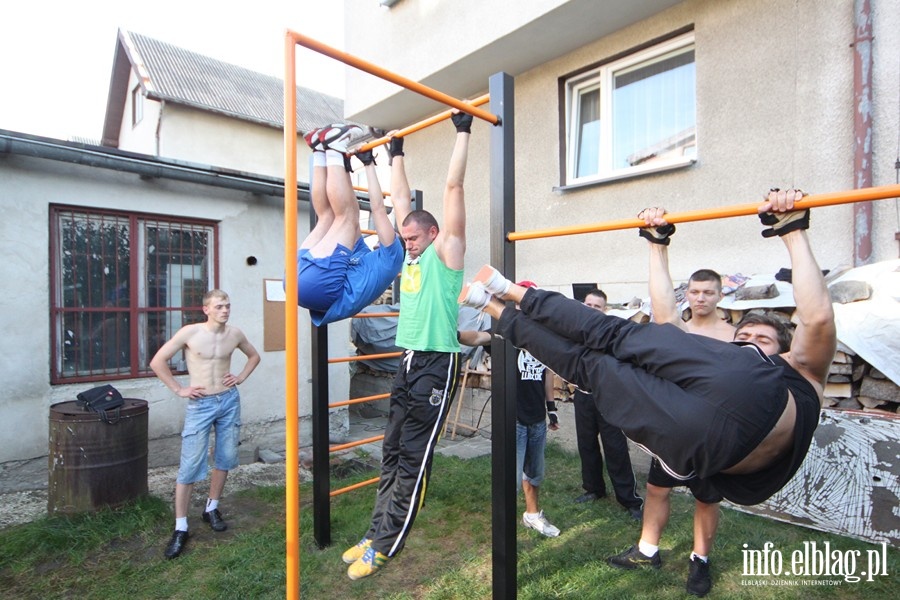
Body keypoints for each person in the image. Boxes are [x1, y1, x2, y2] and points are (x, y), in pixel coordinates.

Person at [458, 189, 834, 518]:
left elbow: (816, 319)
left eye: (760, 340)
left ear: (781, 351)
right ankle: (497, 304)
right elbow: (666, 314)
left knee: (608, 342)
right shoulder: (719, 347)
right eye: (745, 334)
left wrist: (793, 231)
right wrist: (657, 243)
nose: (748, 340)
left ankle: (507, 295)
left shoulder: (797, 372)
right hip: (702, 441)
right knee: (592, 362)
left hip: (724, 425)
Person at [343, 110, 474, 580]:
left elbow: (452, 191)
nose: (409, 246)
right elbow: (401, 199)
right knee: (392, 451)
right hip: (409, 360)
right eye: (406, 238)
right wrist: (393, 153)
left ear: (434, 234)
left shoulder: (445, 254)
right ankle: (375, 530)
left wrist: (462, 131)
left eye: (415, 238)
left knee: (414, 460)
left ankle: (386, 544)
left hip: (438, 364)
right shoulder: (412, 254)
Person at [607, 216, 736, 597]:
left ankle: (700, 561)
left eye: (708, 293)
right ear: (688, 294)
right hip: (673, 430)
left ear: (719, 296)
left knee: (706, 497)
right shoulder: (678, 331)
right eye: (695, 292)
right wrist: (657, 244)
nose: (700, 298)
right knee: (657, 489)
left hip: (711, 435)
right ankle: (648, 550)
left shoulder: (731, 337)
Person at [150, 289, 261, 559]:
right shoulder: (190, 333)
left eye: (228, 305)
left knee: (225, 457)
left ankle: (211, 508)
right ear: (206, 309)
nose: (225, 310)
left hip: (228, 401)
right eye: (220, 306)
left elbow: (254, 356)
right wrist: (179, 389)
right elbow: (158, 361)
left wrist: (241, 377)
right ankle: (180, 527)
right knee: (189, 465)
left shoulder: (234, 334)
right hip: (200, 404)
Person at [461, 281, 563, 538]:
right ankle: (503, 529)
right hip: (512, 418)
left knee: (535, 473)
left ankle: (532, 515)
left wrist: (551, 409)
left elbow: (547, 373)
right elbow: (477, 337)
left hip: (536, 418)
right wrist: (453, 333)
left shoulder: (542, 337)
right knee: (511, 479)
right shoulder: (502, 332)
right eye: (518, 301)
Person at [297, 123, 412, 326]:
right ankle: (320, 152)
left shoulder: (393, 256)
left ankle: (332, 146)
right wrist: (345, 169)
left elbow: (377, 209)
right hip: (302, 282)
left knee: (347, 217)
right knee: (328, 216)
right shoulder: (363, 254)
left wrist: (369, 166)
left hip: (320, 290)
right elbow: (349, 206)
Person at [572, 288, 644, 522]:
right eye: (588, 305)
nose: (591, 309)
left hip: (609, 398)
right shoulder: (574, 330)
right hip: (583, 395)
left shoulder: (612, 333)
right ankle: (594, 489)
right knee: (586, 444)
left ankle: (630, 500)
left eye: (597, 306)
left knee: (615, 448)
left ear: (605, 310)